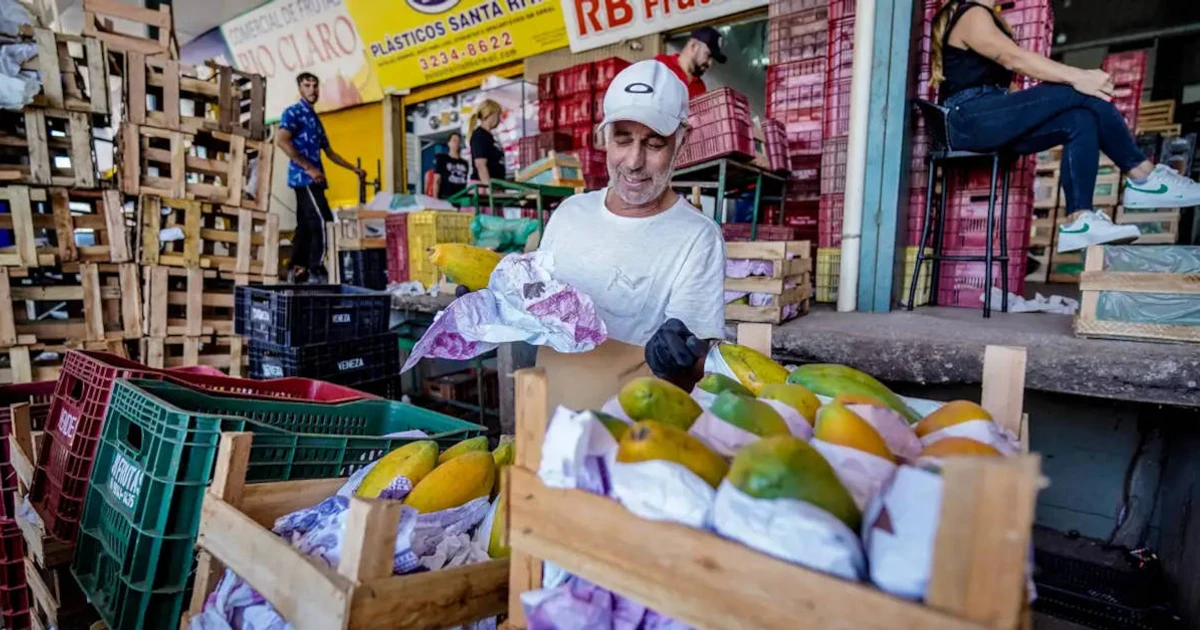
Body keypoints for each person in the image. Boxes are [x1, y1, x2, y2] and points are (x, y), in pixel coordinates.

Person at [930, 0, 1200, 253]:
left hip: (990, 118)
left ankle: (1079, 219)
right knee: (1081, 91)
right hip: (966, 119)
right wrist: (1079, 76)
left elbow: (1007, 83)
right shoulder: (972, 13)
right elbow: (1012, 58)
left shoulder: (993, 20)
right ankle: (1143, 175)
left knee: (1079, 120)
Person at [538, 60, 726, 388]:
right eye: (623, 140)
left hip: (632, 431)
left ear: (681, 141)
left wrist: (682, 359)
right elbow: (533, 307)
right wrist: (491, 305)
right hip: (543, 422)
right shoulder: (569, 214)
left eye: (654, 143)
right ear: (605, 137)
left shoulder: (697, 238)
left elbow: (697, 367)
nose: (635, 162)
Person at [277, 72, 365, 283]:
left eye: (315, 86)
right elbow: (281, 140)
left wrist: (353, 168)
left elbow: (330, 152)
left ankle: (298, 268)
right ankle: (318, 268)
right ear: (300, 88)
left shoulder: (315, 119)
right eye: (307, 85)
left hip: (315, 179)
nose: (312, 90)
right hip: (304, 179)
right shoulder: (293, 112)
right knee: (324, 221)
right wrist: (309, 168)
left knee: (305, 225)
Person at [654, 26, 726, 100]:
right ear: (693, 46)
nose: (710, 63)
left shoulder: (700, 88)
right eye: (708, 55)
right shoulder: (661, 64)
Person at [469, 99, 507, 185]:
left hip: (496, 185)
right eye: (497, 115)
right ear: (490, 115)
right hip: (484, 186)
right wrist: (488, 188)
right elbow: (480, 165)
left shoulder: (491, 136)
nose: (499, 119)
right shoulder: (480, 135)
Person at [433, 131, 469, 199]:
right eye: (454, 141)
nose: (456, 143)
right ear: (448, 143)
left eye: (458, 141)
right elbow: (437, 179)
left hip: (461, 197)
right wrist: (435, 198)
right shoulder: (442, 159)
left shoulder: (465, 163)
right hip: (446, 197)